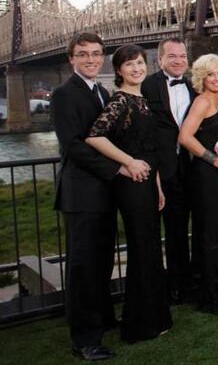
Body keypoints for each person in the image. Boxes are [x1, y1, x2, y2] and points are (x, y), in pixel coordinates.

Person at [86, 44, 172, 343]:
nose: (136, 68)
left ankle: (155, 317)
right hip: (132, 184)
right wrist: (127, 163)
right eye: (129, 64)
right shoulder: (120, 100)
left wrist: (157, 184)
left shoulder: (141, 98)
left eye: (140, 63)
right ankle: (139, 325)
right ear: (119, 70)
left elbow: (150, 148)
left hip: (148, 182)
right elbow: (94, 136)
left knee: (151, 246)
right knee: (141, 248)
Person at [51, 33, 121, 361]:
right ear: (72, 60)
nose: (91, 59)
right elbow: (73, 146)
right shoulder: (64, 95)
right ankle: (84, 339)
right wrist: (118, 168)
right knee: (83, 268)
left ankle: (103, 318)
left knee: (103, 260)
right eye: (83, 54)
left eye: (95, 54)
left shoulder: (102, 92)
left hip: (103, 193)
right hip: (80, 195)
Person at [177, 54, 218, 312]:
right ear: (201, 79)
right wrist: (213, 160)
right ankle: (213, 294)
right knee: (212, 232)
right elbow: (185, 137)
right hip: (206, 177)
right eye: (210, 75)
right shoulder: (203, 101)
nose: (216, 78)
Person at [141, 37, 196, 304]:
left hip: (191, 167)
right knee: (165, 230)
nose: (178, 61)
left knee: (188, 226)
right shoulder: (147, 85)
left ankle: (189, 281)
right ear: (159, 59)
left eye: (182, 56)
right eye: (172, 56)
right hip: (161, 169)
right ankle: (168, 285)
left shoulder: (193, 85)